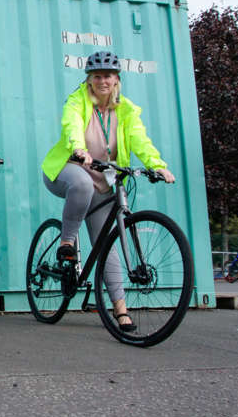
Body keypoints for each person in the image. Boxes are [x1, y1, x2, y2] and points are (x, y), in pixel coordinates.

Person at [41, 51, 175, 332]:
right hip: (68, 169)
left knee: (108, 244)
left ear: (117, 80)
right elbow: (71, 124)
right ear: (89, 80)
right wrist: (78, 147)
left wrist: (157, 165)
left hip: (105, 178)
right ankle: (67, 242)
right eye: (98, 76)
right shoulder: (77, 101)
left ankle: (121, 310)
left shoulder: (126, 110)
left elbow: (140, 140)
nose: (103, 81)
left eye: (109, 76)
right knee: (82, 183)